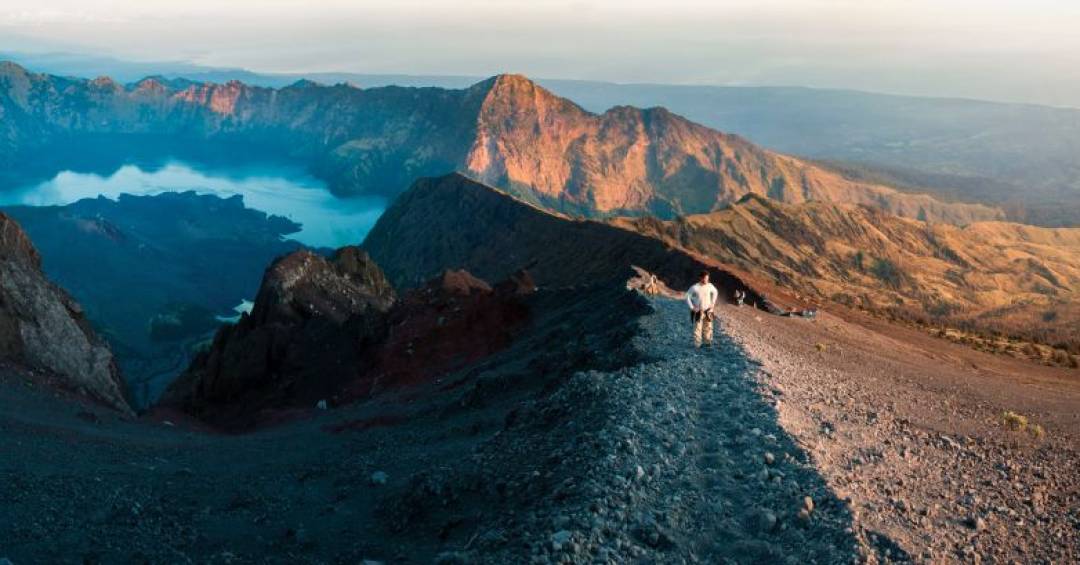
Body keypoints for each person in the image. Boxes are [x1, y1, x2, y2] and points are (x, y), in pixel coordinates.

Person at [686, 270, 719, 348]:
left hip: (708, 311)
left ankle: (707, 343)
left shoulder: (710, 286)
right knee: (697, 328)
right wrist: (692, 307)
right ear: (700, 278)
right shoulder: (695, 287)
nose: (706, 280)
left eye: (707, 278)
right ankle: (697, 345)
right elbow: (687, 296)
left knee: (708, 327)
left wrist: (713, 303)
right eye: (704, 278)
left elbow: (715, 292)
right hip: (698, 311)